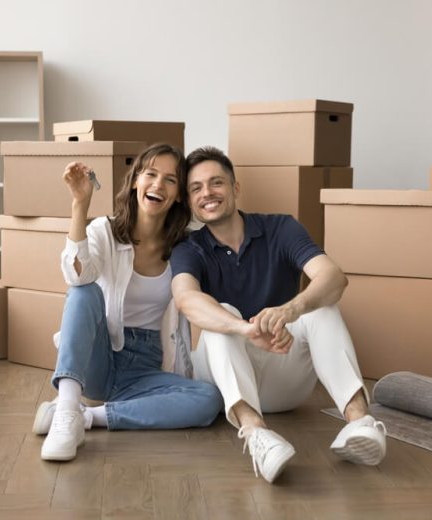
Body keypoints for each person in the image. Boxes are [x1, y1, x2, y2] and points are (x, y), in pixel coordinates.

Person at [170, 146, 386, 483]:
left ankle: (360, 423)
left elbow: (333, 277)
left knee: (321, 307)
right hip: (225, 379)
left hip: (284, 377)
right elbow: (186, 299)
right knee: (220, 315)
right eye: (196, 188)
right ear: (189, 200)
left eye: (216, 183)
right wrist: (244, 328)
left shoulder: (280, 228)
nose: (207, 193)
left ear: (235, 188)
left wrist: (290, 310)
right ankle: (257, 436)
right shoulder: (188, 248)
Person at [36, 142, 223, 462]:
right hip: (100, 356)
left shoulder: (186, 246)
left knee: (207, 400)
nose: (157, 185)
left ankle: (88, 417)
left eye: (170, 179)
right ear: (135, 180)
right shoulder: (104, 231)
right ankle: (66, 408)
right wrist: (80, 204)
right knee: (84, 290)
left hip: (145, 366)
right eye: (150, 174)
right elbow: (76, 275)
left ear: (179, 194)